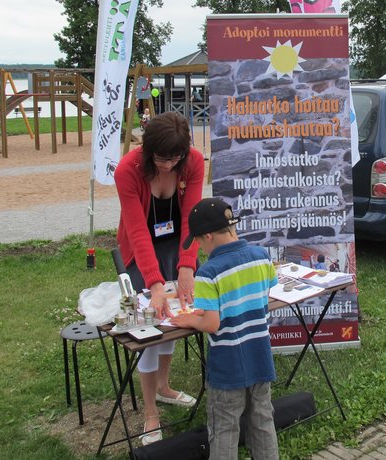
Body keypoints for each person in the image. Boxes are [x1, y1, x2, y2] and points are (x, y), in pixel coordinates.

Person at [114, 111, 204, 445]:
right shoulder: (128, 169)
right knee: (149, 325)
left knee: (174, 320)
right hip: (141, 252)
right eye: (162, 159)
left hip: (173, 245)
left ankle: (165, 387)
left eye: (174, 158)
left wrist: (186, 266)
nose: (168, 166)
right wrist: (153, 283)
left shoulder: (192, 161)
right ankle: (150, 412)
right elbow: (136, 230)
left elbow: (191, 217)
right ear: (149, 150)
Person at [172, 198, 279, 459]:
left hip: (228, 366)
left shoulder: (208, 272)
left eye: (198, 242)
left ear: (207, 236)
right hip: (260, 358)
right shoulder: (261, 257)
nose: (198, 248)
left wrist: (189, 320)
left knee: (224, 427)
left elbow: (211, 323)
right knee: (263, 420)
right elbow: (268, 289)